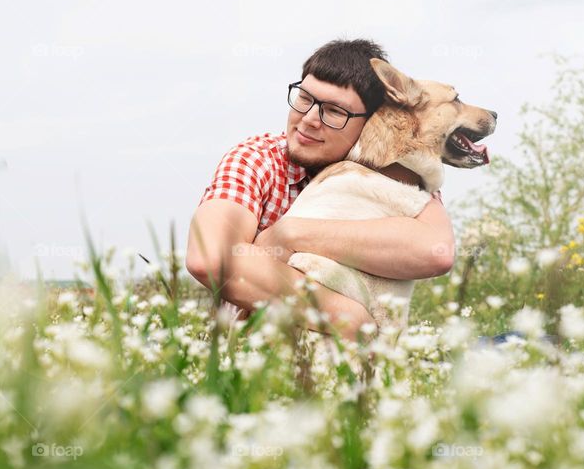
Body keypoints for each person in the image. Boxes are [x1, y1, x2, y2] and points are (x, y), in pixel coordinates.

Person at [185, 39, 455, 341]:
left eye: (334, 111)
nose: (309, 120)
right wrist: (345, 316)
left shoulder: (398, 173)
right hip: (260, 354)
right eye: (304, 98)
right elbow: (210, 256)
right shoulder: (258, 159)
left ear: (369, 122)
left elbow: (436, 252)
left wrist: (290, 234)